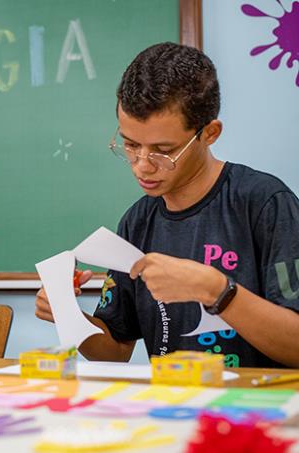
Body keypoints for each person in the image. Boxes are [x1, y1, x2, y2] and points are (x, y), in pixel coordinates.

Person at [35, 42, 299, 368]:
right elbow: (116, 349)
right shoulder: (137, 222)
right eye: (130, 145)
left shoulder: (264, 204)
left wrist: (218, 291)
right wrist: (68, 315)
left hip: (257, 410)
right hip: (174, 408)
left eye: (162, 150)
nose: (142, 165)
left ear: (209, 133)